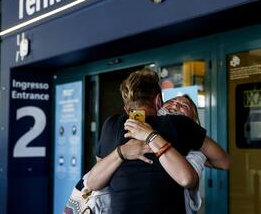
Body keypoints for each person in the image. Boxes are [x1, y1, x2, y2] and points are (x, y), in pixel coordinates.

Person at [86, 68, 230, 214]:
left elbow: (94, 179)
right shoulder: (178, 125)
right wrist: (123, 151)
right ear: (159, 102)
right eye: (172, 102)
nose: (176, 106)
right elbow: (223, 162)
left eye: (184, 106)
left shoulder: (112, 124)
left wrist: (144, 140)